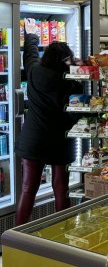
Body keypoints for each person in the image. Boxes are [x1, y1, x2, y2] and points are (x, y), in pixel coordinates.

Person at [15, 19, 83, 225]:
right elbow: (75, 114)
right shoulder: (71, 84)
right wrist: (79, 70)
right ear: (65, 61)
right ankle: (63, 233)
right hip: (60, 141)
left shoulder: (34, 71)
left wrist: (32, 34)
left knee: (28, 188)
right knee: (61, 189)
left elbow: (30, 54)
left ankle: (17, 235)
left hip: (33, 140)